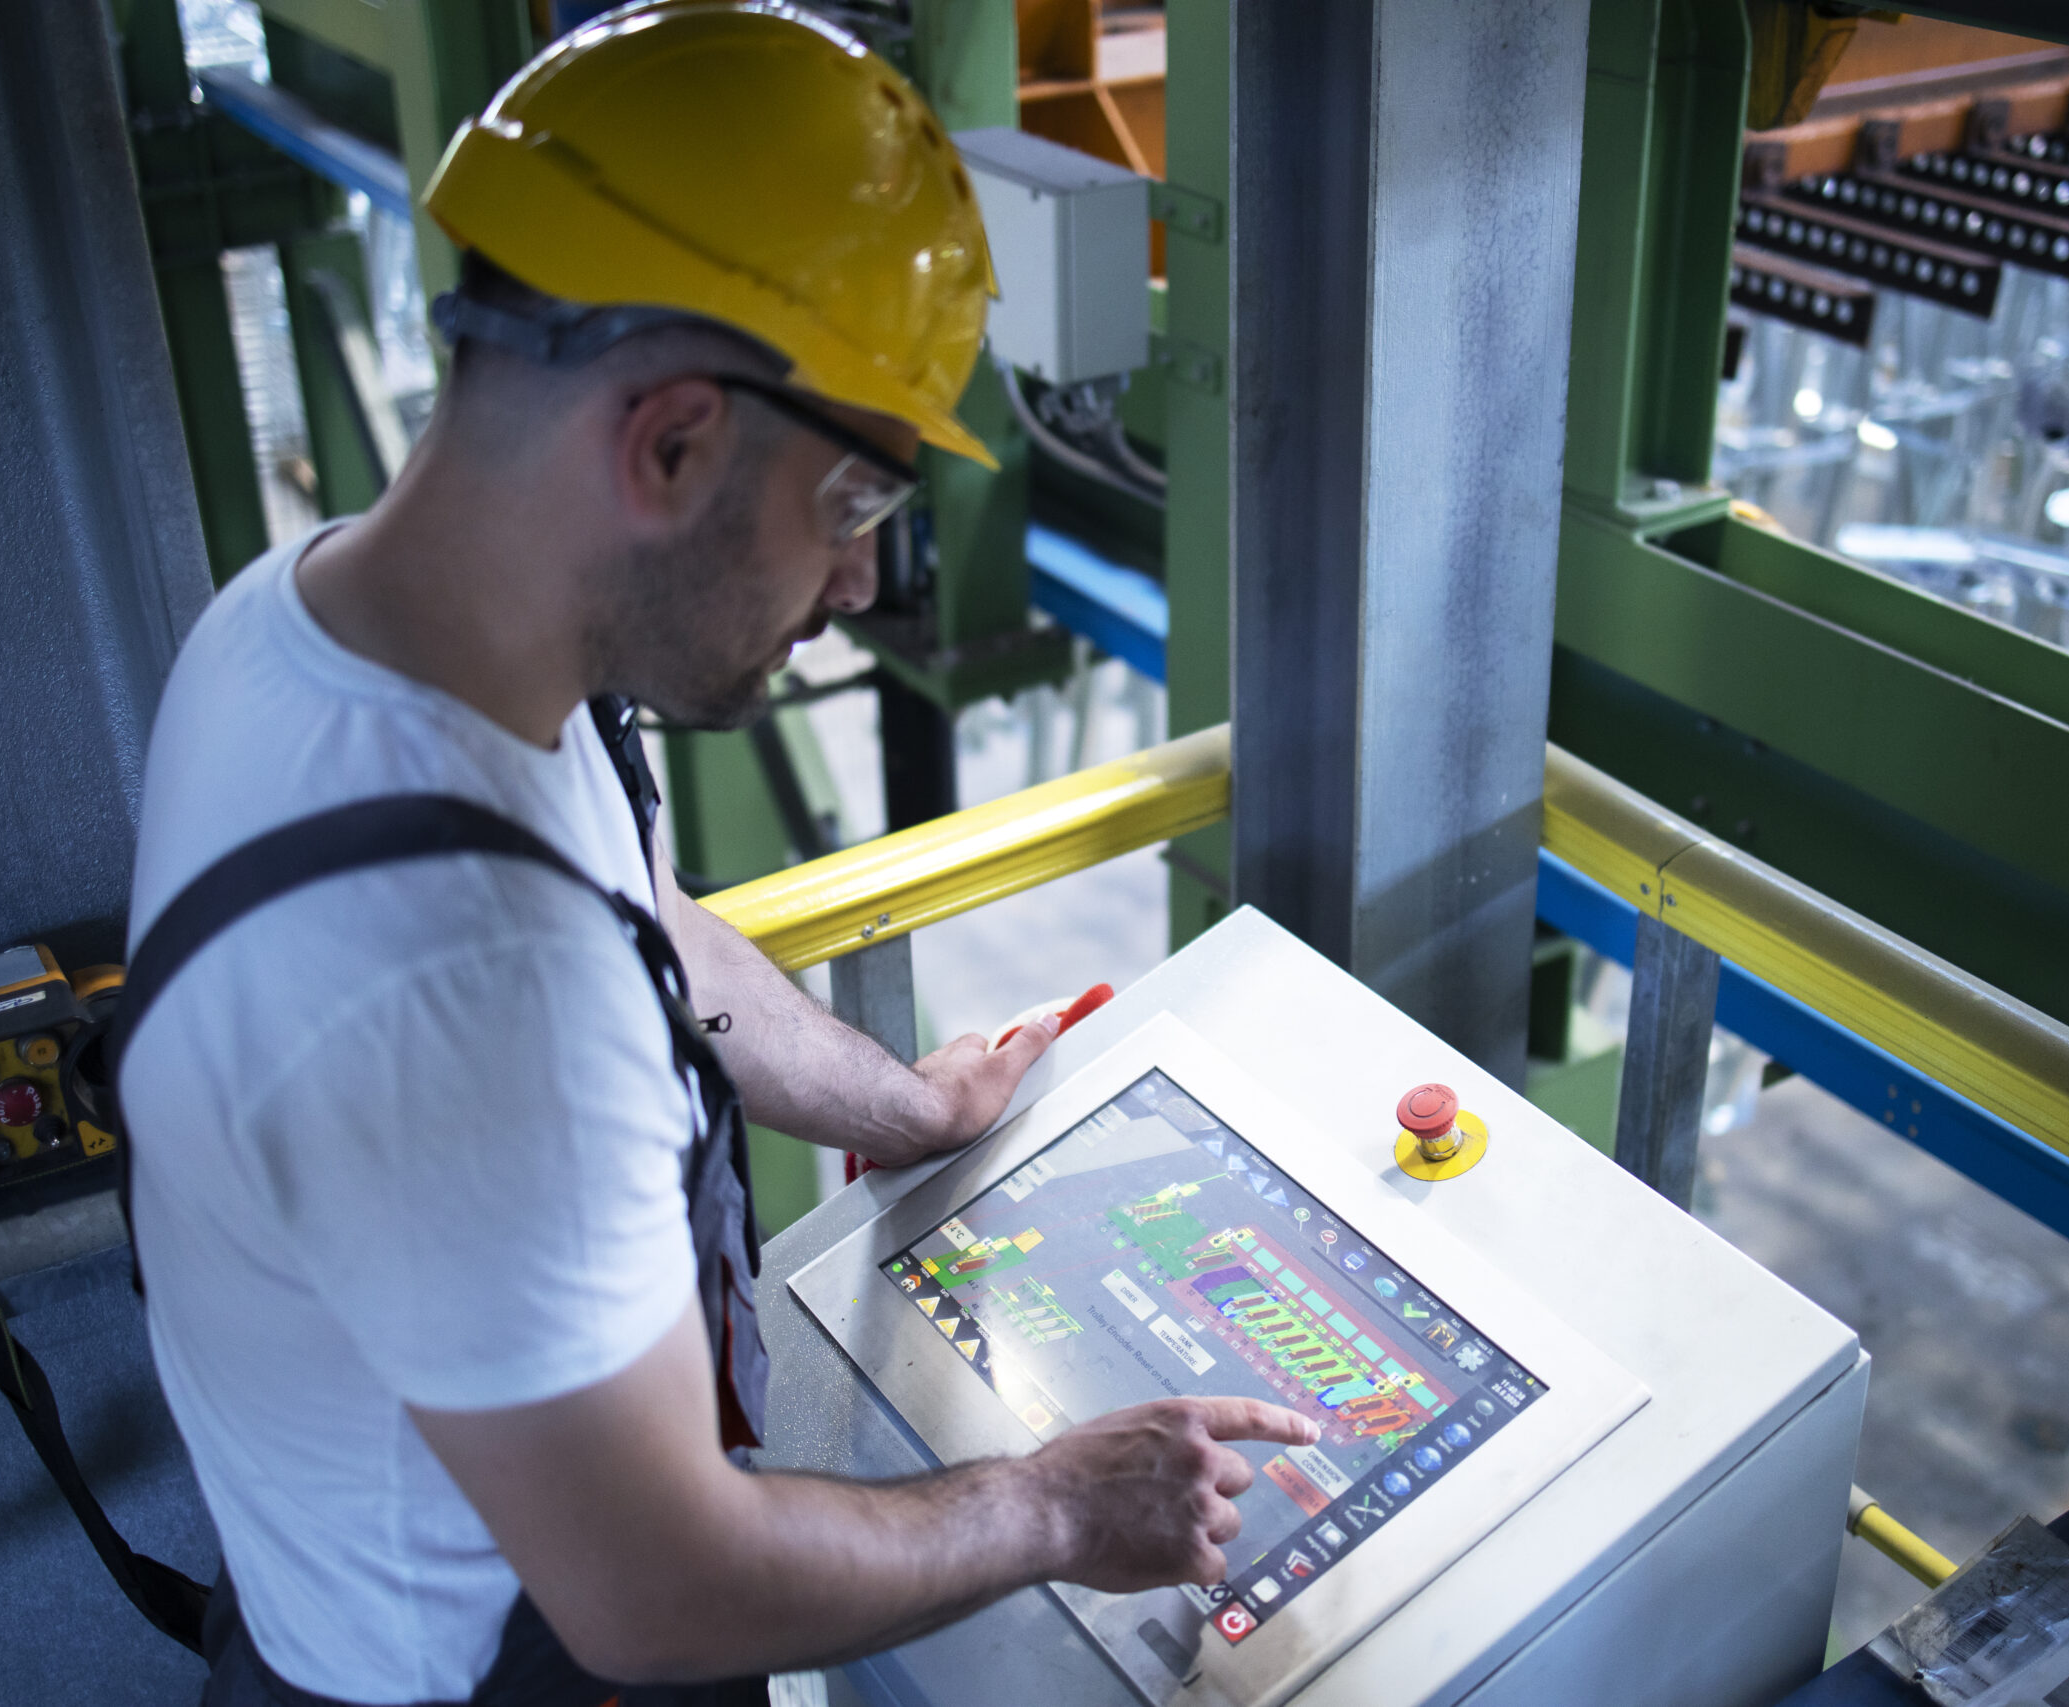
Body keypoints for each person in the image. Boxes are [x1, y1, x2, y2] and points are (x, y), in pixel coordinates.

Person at [118, 5, 1315, 1702]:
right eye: (850, 507)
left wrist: (904, 1107)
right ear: (673, 441)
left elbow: (644, 925)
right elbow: (662, 1594)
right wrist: (1055, 1503)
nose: (851, 589)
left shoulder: (321, 632)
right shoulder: (457, 986)